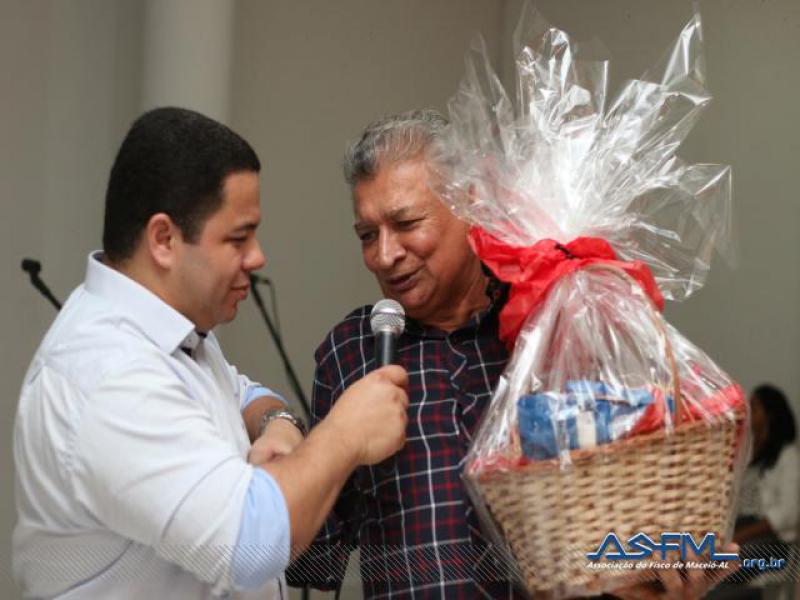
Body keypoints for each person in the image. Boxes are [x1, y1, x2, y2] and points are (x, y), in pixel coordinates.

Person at [287, 109, 740, 599]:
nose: (384, 254)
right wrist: (298, 440)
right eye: (366, 235)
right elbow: (315, 562)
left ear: (470, 204)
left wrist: (661, 583)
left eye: (406, 223)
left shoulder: (551, 328)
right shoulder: (353, 351)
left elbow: (625, 516)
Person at [12, 107, 409, 600]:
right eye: (238, 238)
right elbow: (251, 545)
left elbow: (244, 395)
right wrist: (346, 433)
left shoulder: (171, 330)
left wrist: (278, 424)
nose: (258, 257)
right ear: (164, 239)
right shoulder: (109, 373)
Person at [731, 384, 799, 596]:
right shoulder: (750, 454)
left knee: (720, 566)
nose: (749, 411)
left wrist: (740, 535)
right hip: (740, 529)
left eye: (755, 406)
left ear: (770, 413)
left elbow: (787, 515)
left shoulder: (788, 457)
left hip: (773, 543)